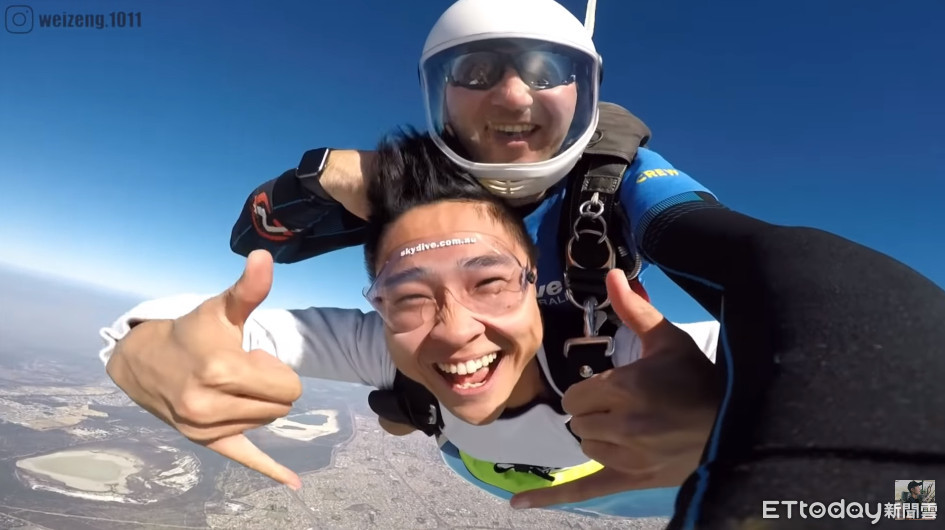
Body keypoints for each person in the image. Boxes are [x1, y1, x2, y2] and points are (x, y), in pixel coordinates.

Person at [100, 130, 722, 518]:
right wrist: (145, 347)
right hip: (507, 473)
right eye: (408, 296)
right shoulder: (387, 348)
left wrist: (733, 409)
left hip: (655, 489)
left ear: (536, 285)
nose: (453, 330)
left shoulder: (635, 358)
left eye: (489, 283)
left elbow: (768, 336)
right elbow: (185, 326)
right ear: (378, 304)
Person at [229, 0, 720, 442]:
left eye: (547, 73)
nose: (514, 97)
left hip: (563, 395)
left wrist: (725, 408)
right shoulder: (416, 195)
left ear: (583, 89)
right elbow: (256, 243)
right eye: (477, 71)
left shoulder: (614, 183)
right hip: (502, 428)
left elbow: (735, 258)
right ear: (442, 93)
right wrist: (322, 176)